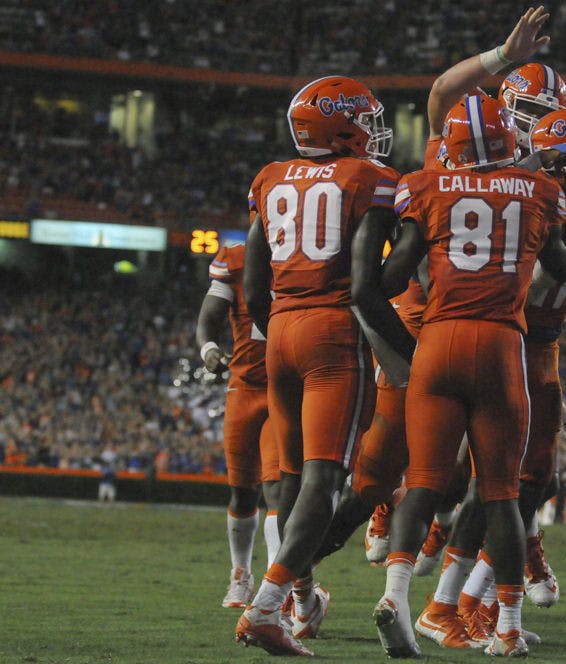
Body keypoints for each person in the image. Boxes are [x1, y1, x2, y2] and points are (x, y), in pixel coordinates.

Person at [362, 93, 566, 658]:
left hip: (438, 341)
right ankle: (505, 625)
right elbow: (563, 269)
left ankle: (398, 597)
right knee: (501, 492)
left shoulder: (424, 186)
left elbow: (391, 278)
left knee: (426, 483)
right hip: (502, 343)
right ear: (511, 142)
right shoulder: (541, 192)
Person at [234, 74, 398, 657]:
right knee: (324, 481)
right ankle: (265, 609)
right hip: (332, 329)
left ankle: (301, 596)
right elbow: (367, 282)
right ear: (342, 124)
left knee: (290, 478)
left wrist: (280, 323)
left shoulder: (270, 176)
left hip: (277, 327)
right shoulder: (370, 178)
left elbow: (253, 284)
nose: (375, 131)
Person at [196, 242, 281, 609]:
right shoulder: (234, 259)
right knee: (243, 492)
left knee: (278, 489)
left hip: (287, 386)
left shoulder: (307, 253)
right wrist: (209, 348)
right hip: (244, 387)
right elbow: (210, 317)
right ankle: (241, 574)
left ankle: (276, 585)